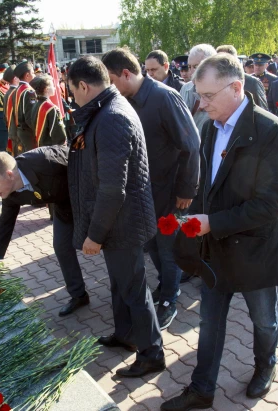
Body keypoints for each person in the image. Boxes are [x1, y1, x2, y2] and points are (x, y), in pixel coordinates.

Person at [161, 53, 278, 411]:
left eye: (207, 96)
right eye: (199, 96)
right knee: (210, 321)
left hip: (255, 249)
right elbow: (209, 186)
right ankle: (202, 388)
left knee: (263, 320)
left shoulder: (272, 130)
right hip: (215, 248)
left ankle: (265, 365)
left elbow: (269, 205)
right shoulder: (208, 126)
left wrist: (212, 223)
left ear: (236, 88)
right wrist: (194, 218)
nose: (200, 105)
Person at [67, 56, 165, 378]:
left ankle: (151, 352)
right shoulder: (107, 109)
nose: (73, 98)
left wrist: (94, 235)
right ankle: (125, 335)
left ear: (84, 86)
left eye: (73, 91)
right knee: (120, 284)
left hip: (121, 222)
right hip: (118, 222)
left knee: (135, 289)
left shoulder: (110, 118)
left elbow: (113, 190)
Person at [101, 47, 200, 330]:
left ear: (126, 73)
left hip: (171, 193)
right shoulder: (127, 100)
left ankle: (170, 299)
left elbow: (191, 146)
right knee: (152, 245)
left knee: (168, 249)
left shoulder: (164, 97)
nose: (110, 86)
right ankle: (166, 286)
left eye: (111, 79)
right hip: (145, 192)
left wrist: (186, 190)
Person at [0, 148, 89, 317]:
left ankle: (122, 294)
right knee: (61, 247)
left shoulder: (46, 161)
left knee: (105, 241)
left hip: (87, 199)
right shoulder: (9, 194)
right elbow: (4, 229)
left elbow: (84, 167)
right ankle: (79, 296)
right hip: (64, 207)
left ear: (9, 174)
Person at [180, 44, 218, 134]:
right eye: (189, 67)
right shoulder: (185, 88)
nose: (191, 71)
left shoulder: (220, 91)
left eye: (196, 66)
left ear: (212, 65)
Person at [216, 45, 268, 110]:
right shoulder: (214, 83)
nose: (220, 64)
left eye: (223, 61)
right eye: (217, 60)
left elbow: (263, 110)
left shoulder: (252, 82)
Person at [28, 74, 68, 147]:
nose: (55, 88)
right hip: (51, 149)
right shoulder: (52, 109)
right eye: (52, 85)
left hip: (40, 147)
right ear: (46, 89)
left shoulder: (36, 105)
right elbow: (59, 135)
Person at [13, 61, 38, 154]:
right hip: (28, 132)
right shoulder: (29, 91)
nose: (34, 75)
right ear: (27, 75)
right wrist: (38, 131)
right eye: (33, 73)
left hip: (20, 130)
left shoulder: (17, 89)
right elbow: (29, 117)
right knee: (33, 159)